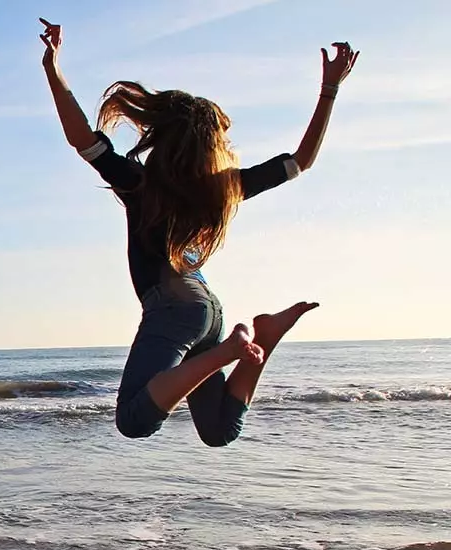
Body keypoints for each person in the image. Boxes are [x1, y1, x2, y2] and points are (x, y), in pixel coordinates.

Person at [38, 19, 358, 446]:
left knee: (134, 420)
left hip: (175, 311)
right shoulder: (226, 189)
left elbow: (82, 139)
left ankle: (232, 349)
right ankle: (264, 336)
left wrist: (52, 68)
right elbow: (302, 160)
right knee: (220, 430)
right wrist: (330, 89)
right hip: (207, 312)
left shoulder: (141, 184)